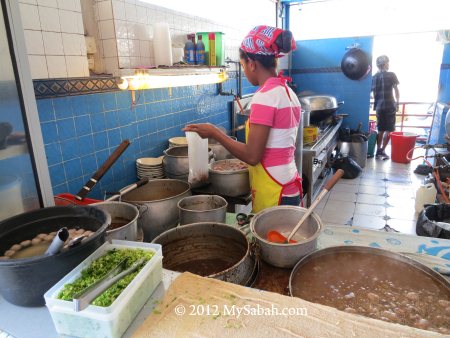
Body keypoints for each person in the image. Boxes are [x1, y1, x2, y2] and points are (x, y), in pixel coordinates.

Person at [184, 26, 302, 213]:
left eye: (243, 65)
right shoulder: (288, 92)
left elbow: (252, 156)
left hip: (275, 191)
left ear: (252, 63)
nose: (245, 71)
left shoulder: (265, 96)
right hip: (288, 185)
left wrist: (214, 132)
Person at [371, 55, 400, 160]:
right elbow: (396, 90)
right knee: (389, 130)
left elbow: (371, 93)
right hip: (389, 105)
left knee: (380, 130)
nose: (388, 64)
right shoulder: (392, 75)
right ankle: (382, 150)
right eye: (388, 62)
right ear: (385, 64)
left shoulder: (373, 77)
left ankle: (378, 151)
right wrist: (398, 102)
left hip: (379, 106)